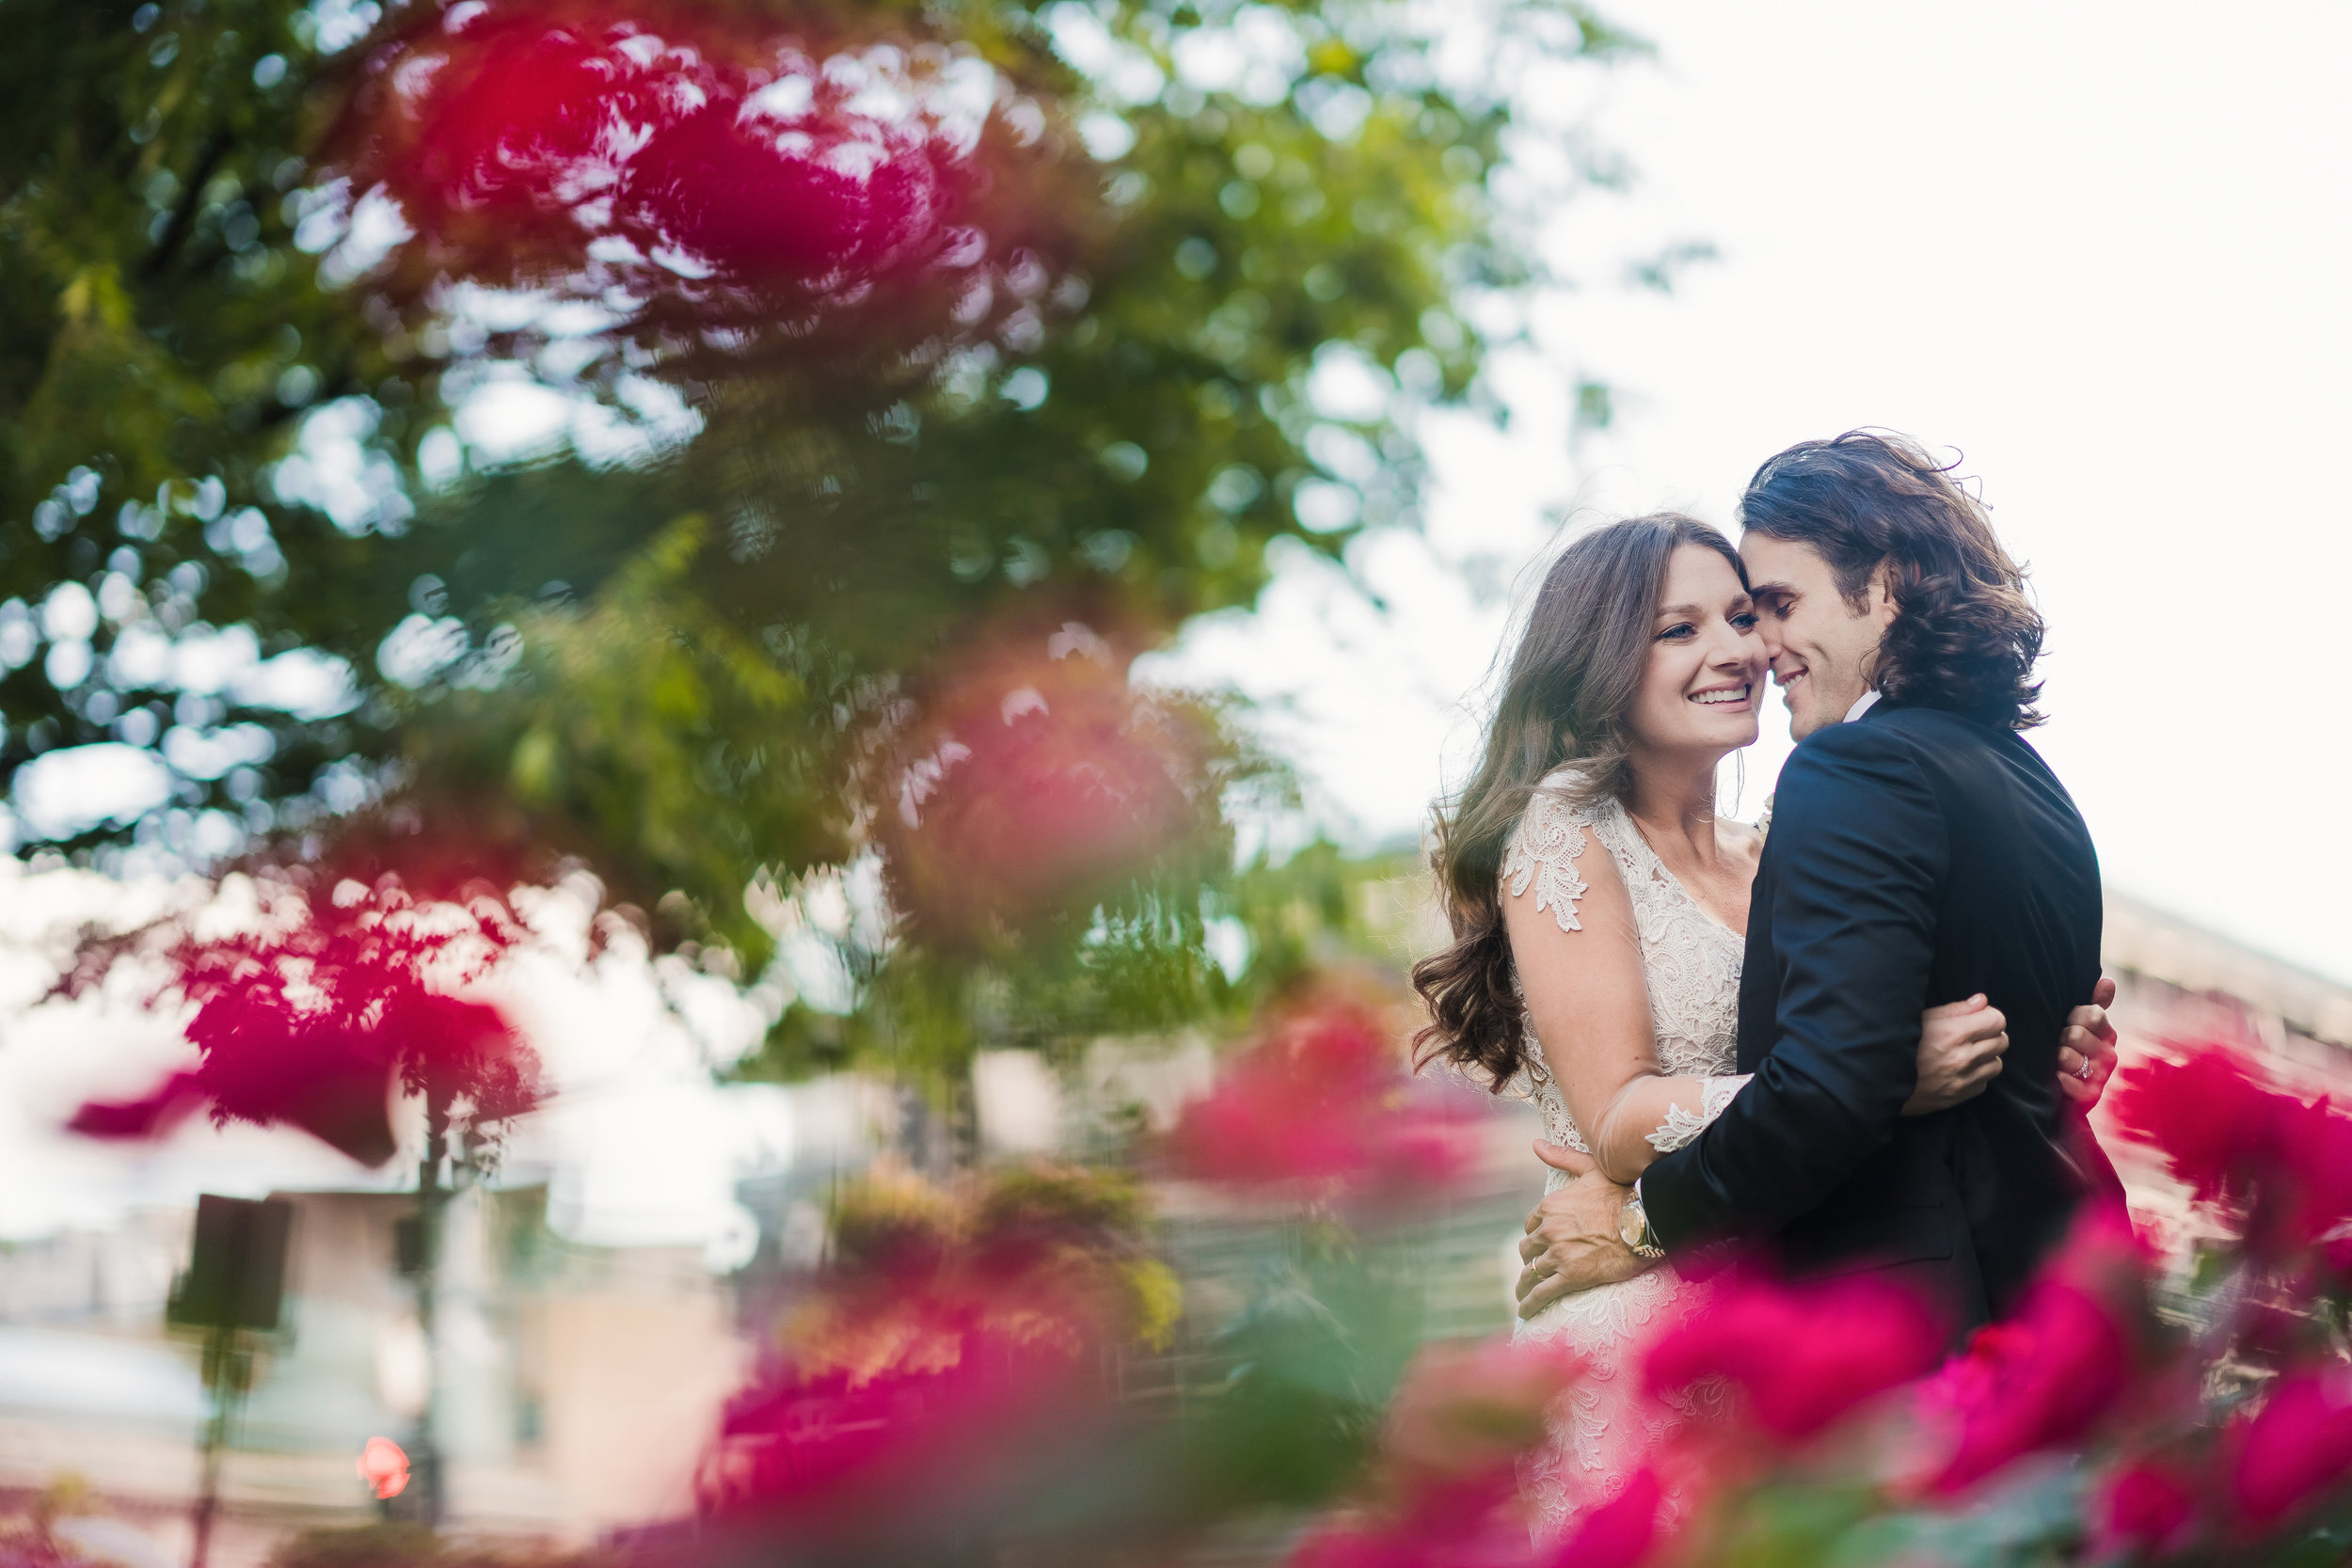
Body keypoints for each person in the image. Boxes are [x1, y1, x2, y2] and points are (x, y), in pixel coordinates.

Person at [1412, 447, 2113, 1535]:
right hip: (1642, 1310)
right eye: (1678, 629)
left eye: (1746, 615)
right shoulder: (1564, 828)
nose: (1739, 649)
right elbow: (1615, 1116)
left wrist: (2037, 1039)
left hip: (1776, 1296)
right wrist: (1885, 1076)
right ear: (1602, 657)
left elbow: (1876, 1016)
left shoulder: (1779, 839)